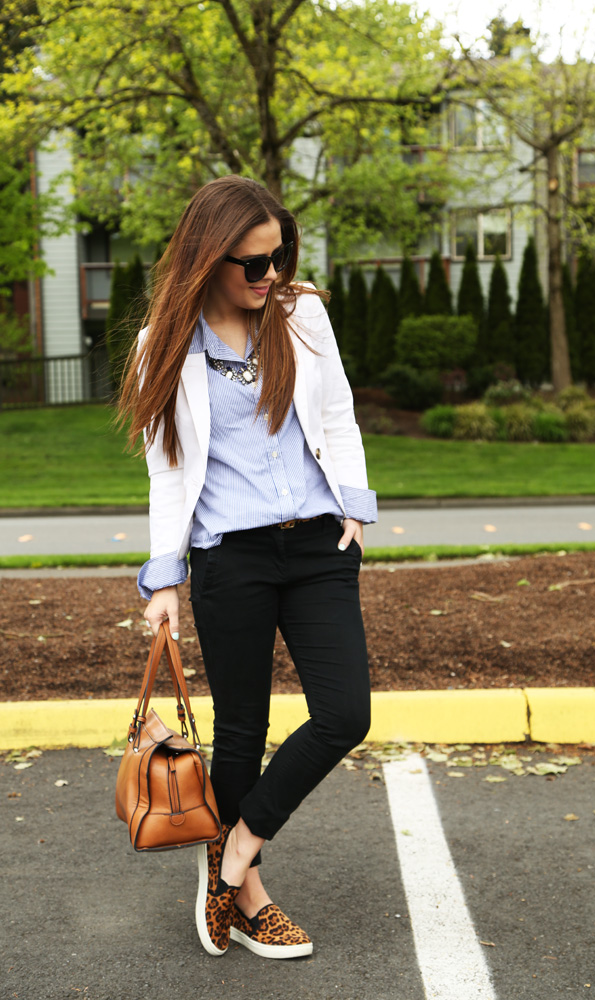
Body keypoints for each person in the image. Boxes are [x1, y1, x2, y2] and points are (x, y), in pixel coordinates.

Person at [119, 175, 377, 961]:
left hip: (317, 545)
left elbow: (337, 413)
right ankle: (250, 897)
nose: (271, 277)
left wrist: (358, 510)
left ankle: (233, 849)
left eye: (280, 258)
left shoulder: (302, 315)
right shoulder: (164, 342)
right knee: (241, 733)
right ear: (208, 258)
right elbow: (168, 471)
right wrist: (163, 579)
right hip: (229, 556)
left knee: (345, 712)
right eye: (254, 264)